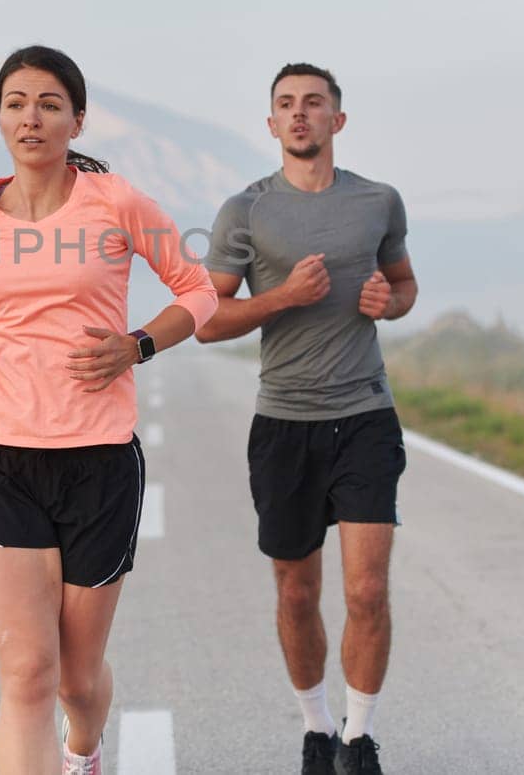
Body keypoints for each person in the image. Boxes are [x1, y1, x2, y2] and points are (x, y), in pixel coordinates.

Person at [0, 45, 217, 775]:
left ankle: (85, 749)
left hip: (98, 458)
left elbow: (198, 292)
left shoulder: (117, 202)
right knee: (27, 675)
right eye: (15, 102)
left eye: (48, 103)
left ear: (77, 119)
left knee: (78, 678)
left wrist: (135, 345)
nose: (31, 116)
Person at [197, 63, 417, 775]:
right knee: (296, 591)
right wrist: (283, 296)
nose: (299, 115)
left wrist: (394, 300)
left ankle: (359, 738)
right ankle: (317, 727)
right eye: (286, 105)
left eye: (313, 103)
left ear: (337, 121)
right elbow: (206, 318)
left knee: (367, 589)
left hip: (364, 414)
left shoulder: (379, 201)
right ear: (270, 124)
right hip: (284, 421)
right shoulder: (246, 211)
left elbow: (404, 283)